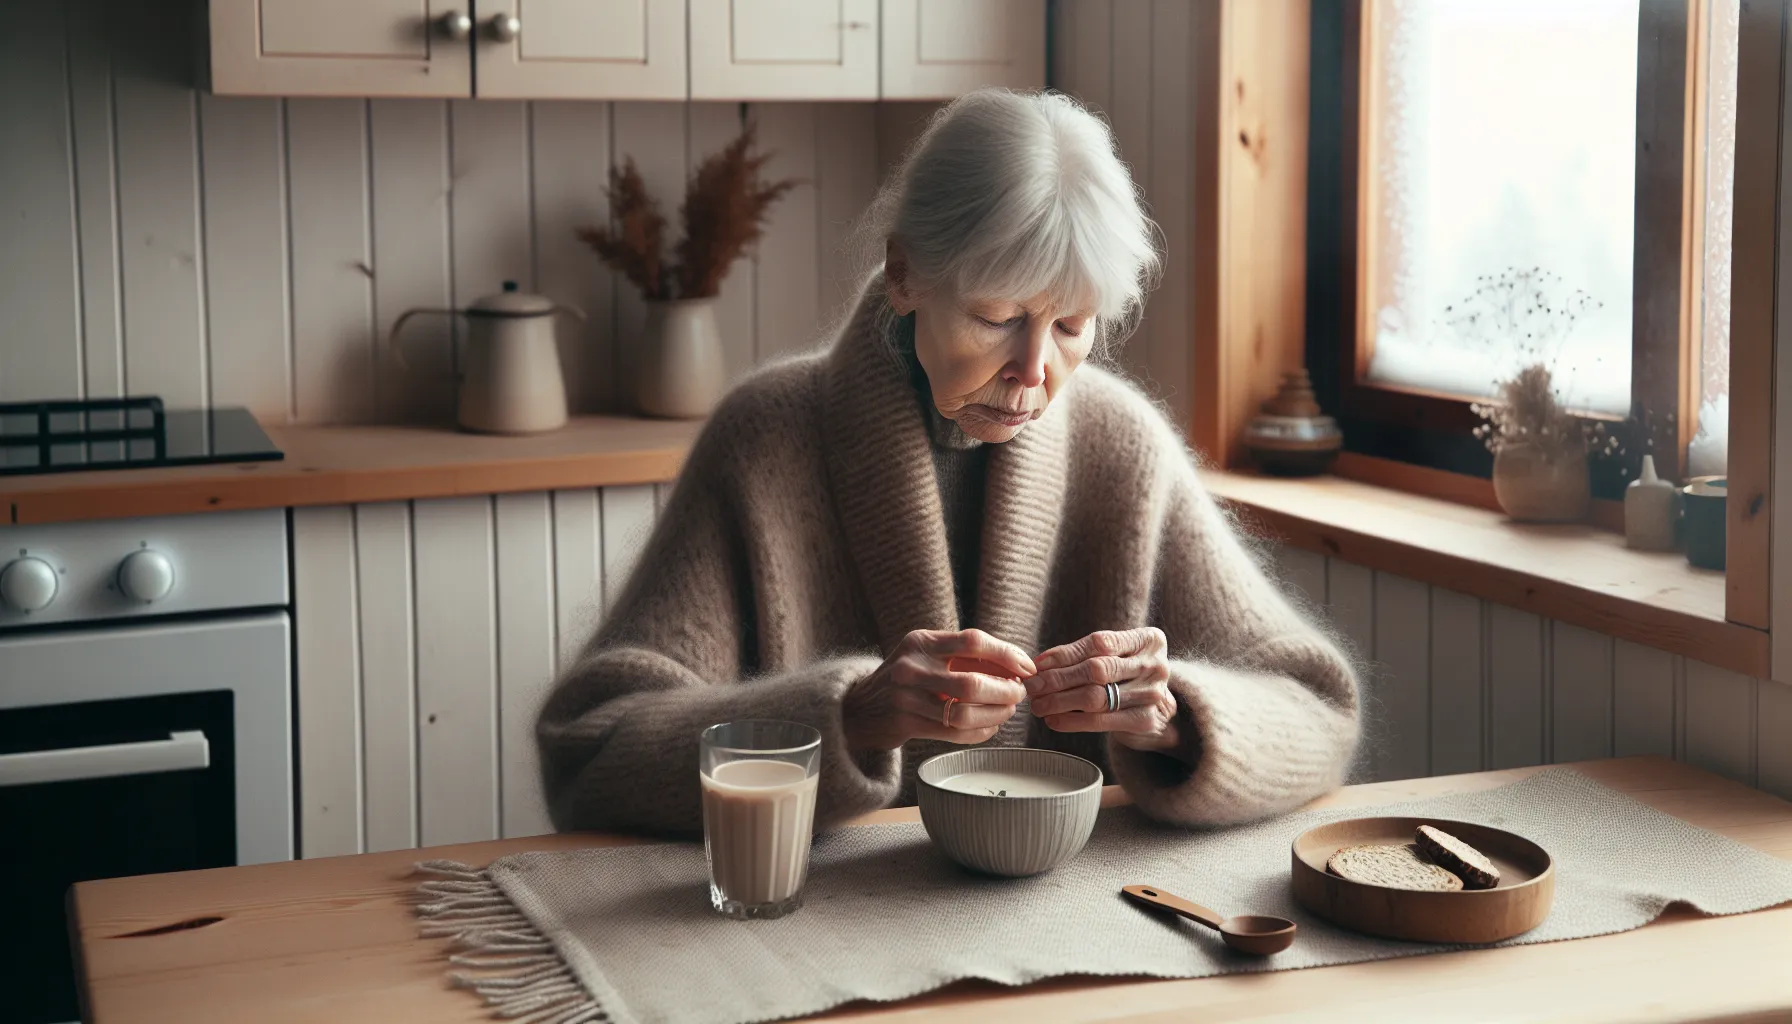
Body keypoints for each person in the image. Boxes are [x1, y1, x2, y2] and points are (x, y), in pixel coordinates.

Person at [537, 89, 1360, 834]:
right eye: (998, 316)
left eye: (1073, 327)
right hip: (811, 933)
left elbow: (1320, 711)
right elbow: (591, 748)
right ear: (904, 274)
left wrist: (1175, 713)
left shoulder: (1124, 444)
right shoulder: (766, 439)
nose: (1035, 371)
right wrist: (848, 718)